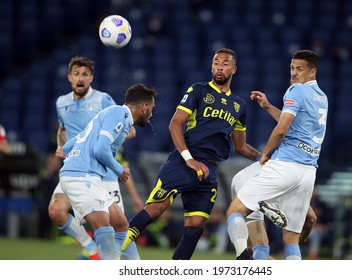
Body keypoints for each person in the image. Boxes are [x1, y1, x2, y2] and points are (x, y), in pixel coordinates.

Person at [121, 48, 262, 259]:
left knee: (195, 227)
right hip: (185, 160)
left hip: (210, 169)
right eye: (216, 63)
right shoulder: (199, 90)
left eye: (225, 63)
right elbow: (175, 124)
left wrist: (264, 158)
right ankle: (112, 252)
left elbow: (240, 147)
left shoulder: (239, 106)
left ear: (234, 69)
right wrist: (190, 160)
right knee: (157, 208)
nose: (219, 67)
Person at [226, 49, 328, 260]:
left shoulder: (296, 91)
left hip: (285, 164)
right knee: (291, 242)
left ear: (312, 72)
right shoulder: (322, 97)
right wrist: (268, 106)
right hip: (308, 172)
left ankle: (245, 259)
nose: (294, 73)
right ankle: (269, 211)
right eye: (292, 67)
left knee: (234, 209)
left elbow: (282, 130)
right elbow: (296, 126)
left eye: (300, 69)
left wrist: (266, 154)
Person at [47, 56, 142, 260]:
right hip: (76, 168)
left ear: (91, 78)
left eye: (85, 74)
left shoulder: (103, 99)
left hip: (102, 171)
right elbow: (62, 129)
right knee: (56, 211)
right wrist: (60, 146)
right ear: (69, 78)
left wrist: (102, 144)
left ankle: (132, 265)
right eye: (76, 74)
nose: (80, 78)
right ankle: (92, 249)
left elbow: (129, 129)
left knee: (119, 226)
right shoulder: (61, 103)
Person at [59, 83, 156, 259]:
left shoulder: (110, 114)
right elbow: (100, 149)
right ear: (144, 107)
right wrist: (120, 169)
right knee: (103, 225)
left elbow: (72, 144)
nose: (151, 114)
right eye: (151, 109)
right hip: (81, 177)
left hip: (89, 177)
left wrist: (66, 152)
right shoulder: (119, 113)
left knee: (120, 224)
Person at [306, 189, 333, 259]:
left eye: (313, 190)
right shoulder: (304, 203)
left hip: (319, 227)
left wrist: (322, 224)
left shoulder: (322, 204)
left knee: (315, 235)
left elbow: (329, 217)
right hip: (306, 227)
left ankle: (313, 254)